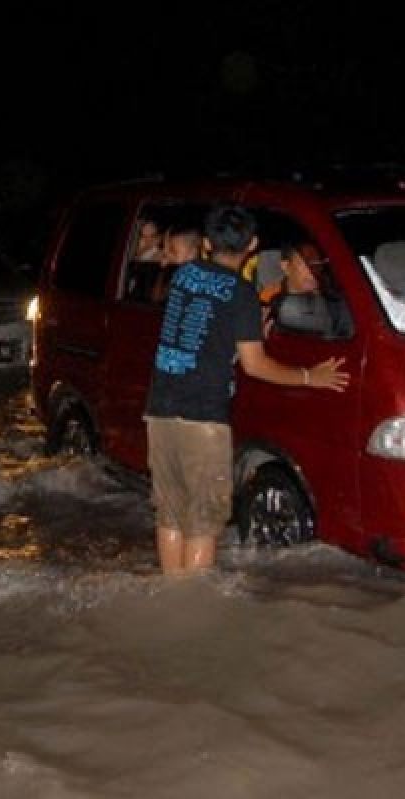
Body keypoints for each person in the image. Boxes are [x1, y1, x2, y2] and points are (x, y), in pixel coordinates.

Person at [144, 205, 350, 576]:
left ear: (206, 243)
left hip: (160, 410)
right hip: (202, 418)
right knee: (203, 520)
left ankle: (171, 599)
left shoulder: (183, 277)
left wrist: (246, 332)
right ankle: (193, 608)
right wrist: (309, 376)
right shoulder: (241, 295)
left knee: (171, 513)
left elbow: (202, 333)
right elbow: (256, 365)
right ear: (252, 245)